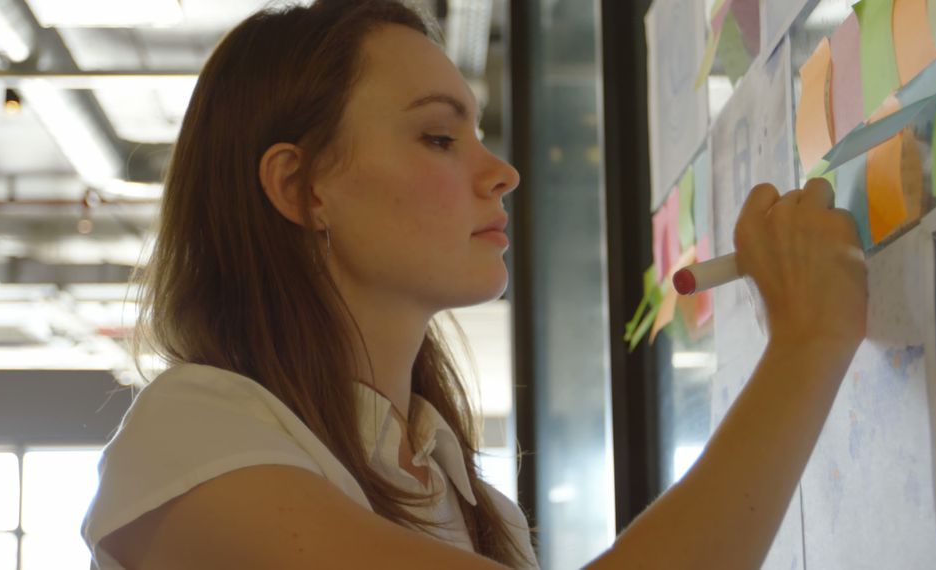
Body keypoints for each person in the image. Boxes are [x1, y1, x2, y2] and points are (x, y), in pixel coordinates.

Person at [79, 0, 868, 568]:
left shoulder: (465, 497)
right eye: (438, 136)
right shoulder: (191, 430)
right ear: (300, 187)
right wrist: (807, 345)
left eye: (477, 134)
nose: (503, 172)